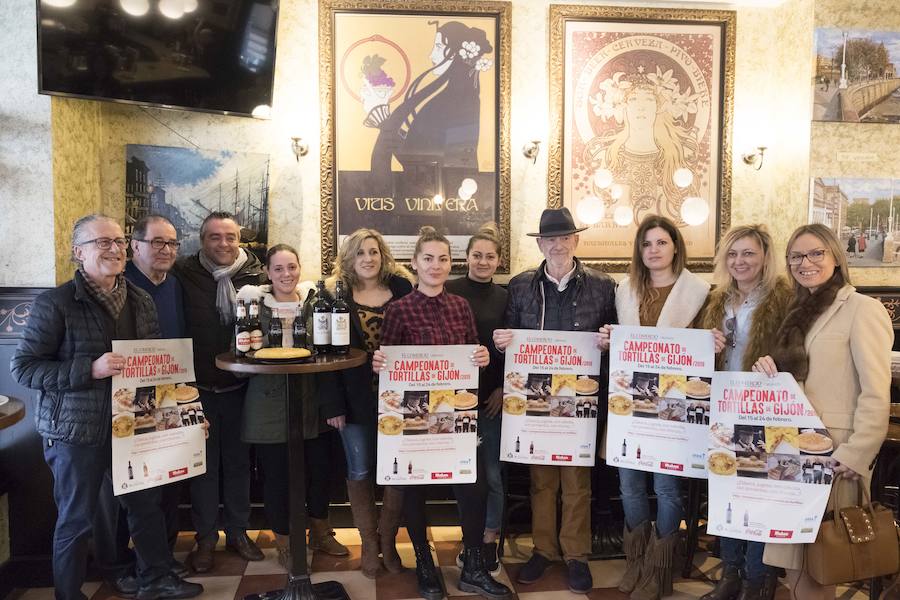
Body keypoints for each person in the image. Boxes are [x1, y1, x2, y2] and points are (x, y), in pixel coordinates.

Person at [11, 214, 202, 600]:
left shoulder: (140, 299)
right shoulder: (56, 303)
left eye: (117, 241)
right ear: (78, 252)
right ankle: (68, 594)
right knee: (76, 519)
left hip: (133, 425)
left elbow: (157, 367)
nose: (113, 249)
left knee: (145, 506)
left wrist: (186, 418)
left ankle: (158, 579)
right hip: (75, 432)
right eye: (102, 243)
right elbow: (25, 369)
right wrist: (90, 369)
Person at [752, 223, 893, 600]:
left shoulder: (863, 309)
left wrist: (858, 451)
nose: (806, 262)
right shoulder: (796, 311)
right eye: (797, 256)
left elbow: (875, 391)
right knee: (794, 565)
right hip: (793, 449)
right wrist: (769, 373)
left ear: (835, 257)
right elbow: (797, 380)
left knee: (822, 562)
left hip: (834, 455)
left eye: (816, 253)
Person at [371, 226, 512, 600]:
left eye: (443, 259)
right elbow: (389, 367)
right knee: (415, 491)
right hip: (414, 419)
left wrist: (482, 357)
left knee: (476, 487)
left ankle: (474, 568)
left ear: (451, 264)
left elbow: (471, 357)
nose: (436, 266)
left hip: (458, 420)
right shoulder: (398, 310)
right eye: (428, 259)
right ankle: (423, 563)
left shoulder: (460, 306)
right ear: (415, 263)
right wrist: (381, 362)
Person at [493, 207, 617, 594]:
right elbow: (508, 343)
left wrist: (610, 340)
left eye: (565, 238)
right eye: (551, 239)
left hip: (581, 399)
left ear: (575, 241)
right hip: (535, 400)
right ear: (541, 244)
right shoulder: (520, 285)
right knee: (541, 482)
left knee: (577, 483)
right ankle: (544, 550)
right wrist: (501, 344)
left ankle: (576, 555)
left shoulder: (603, 285)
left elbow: (617, 343)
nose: (558, 244)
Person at [597, 215, 716, 600]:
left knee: (666, 488)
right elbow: (623, 345)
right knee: (629, 485)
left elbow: (704, 352)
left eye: (661, 243)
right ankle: (637, 560)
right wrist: (607, 341)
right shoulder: (624, 290)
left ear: (676, 247)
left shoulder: (699, 292)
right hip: (630, 405)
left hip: (674, 409)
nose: (654, 250)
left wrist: (712, 342)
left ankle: (660, 569)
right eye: (647, 244)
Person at [93, 215, 190, 595]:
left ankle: (158, 562)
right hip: (116, 403)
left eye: (171, 244)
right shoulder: (120, 284)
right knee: (117, 492)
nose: (165, 250)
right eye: (157, 243)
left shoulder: (175, 285)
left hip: (164, 394)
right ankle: (116, 564)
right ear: (136, 246)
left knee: (163, 481)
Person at [236, 244, 348, 570]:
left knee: (320, 471)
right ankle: (284, 541)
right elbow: (240, 347)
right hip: (268, 402)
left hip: (313, 399)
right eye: (279, 269)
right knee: (277, 477)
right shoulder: (253, 304)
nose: (287, 274)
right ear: (268, 273)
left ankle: (321, 531)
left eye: (292, 267)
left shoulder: (315, 301)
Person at [696, 224, 793, 600]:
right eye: (733, 254)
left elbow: (799, 352)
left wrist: (779, 361)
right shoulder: (717, 300)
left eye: (748, 253)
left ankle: (757, 580)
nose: (740, 261)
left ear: (765, 256)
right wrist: (709, 345)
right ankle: (730, 575)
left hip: (766, 411)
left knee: (759, 498)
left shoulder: (785, 299)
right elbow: (700, 362)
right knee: (727, 497)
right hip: (723, 409)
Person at [318, 228, 414, 578]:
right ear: (349, 258)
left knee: (397, 471)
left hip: (402, 400)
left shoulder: (404, 289)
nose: (368, 259)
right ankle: (369, 547)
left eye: (373, 252)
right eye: (360, 253)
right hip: (353, 399)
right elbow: (323, 353)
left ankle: (388, 542)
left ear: (383, 254)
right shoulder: (332, 294)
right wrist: (332, 404)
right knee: (359, 470)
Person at [175, 211, 265, 571]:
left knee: (240, 465)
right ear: (202, 240)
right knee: (204, 469)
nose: (224, 244)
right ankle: (206, 539)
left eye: (230, 236)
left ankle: (239, 533)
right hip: (197, 388)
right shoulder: (183, 273)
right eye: (215, 237)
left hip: (242, 387)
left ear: (239, 239)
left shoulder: (256, 274)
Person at [445, 223, 508, 575]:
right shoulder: (449, 290)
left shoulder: (505, 296)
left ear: (498, 261)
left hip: (491, 399)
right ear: (466, 257)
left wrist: (501, 387)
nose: (483, 261)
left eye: (490, 256)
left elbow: (508, 349)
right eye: (477, 255)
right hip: (454, 399)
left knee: (493, 474)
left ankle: (488, 540)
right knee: (463, 475)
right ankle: (468, 538)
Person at [368, 21, 492, 184]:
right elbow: (424, 145)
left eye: (439, 47)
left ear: (455, 54)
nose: (431, 55)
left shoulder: (462, 103)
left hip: (436, 189)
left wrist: (388, 129)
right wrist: (390, 129)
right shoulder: (448, 97)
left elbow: (431, 161)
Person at [584, 66, 700, 225]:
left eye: (649, 99)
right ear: (622, 107)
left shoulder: (676, 160)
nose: (641, 106)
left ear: (659, 107)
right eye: (633, 99)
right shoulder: (604, 156)